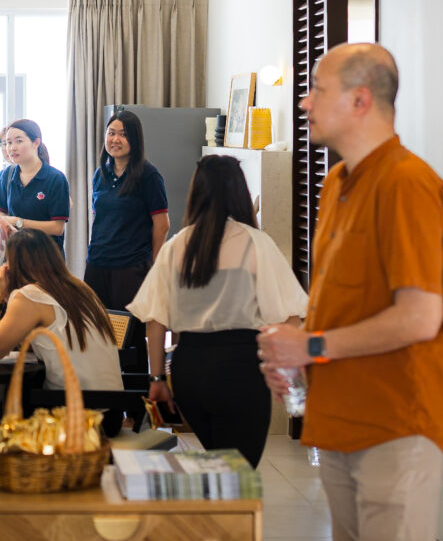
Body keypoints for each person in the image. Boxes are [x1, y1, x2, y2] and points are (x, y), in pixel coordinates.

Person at [257, 43, 443, 541]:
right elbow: (346, 303)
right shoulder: (336, 184)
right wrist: (298, 354)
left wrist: (311, 346)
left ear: (360, 100)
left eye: (317, 89)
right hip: (340, 415)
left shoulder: (407, 184)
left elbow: (419, 318)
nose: (304, 102)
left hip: (395, 422)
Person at [127, 155, 308, 468]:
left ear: (197, 192)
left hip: (189, 369)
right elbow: (290, 316)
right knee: (239, 469)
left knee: (218, 461)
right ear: (240, 192)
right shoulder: (256, 243)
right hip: (241, 368)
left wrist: (156, 378)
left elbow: (154, 321)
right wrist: (285, 368)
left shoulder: (177, 245)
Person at [0, 229, 123, 395]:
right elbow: (29, 346)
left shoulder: (30, 295)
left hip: (73, 406)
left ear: (14, 266)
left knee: (19, 394)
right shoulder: (79, 287)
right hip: (113, 403)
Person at [85, 109, 170, 370]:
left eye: (123, 134)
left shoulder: (148, 175)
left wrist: (154, 267)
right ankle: (104, 392)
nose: (115, 139)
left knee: (130, 338)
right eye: (111, 133)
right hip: (98, 264)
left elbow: (162, 225)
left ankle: (135, 392)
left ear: (135, 139)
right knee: (97, 333)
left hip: (130, 267)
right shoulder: (101, 174)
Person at [0, 119, 71, 253]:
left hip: (46, 256)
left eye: (19, 141)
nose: (12, 148)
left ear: (36, 143)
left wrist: (19, 222)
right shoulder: (7, 175)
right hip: (15, 254)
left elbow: (57, 228)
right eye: (8, 143)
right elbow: (0, 211)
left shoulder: (55, 178)